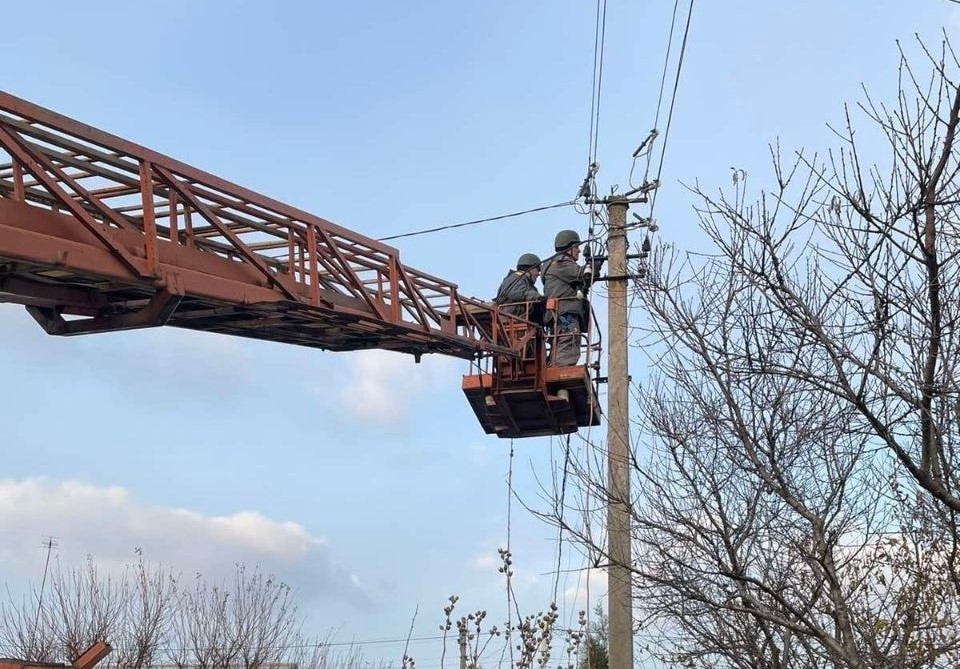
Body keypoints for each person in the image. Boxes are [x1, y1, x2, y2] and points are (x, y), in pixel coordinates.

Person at [541, 229, 600, 366]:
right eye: (577, 247)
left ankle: (554, 368)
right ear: (570, 248)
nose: (579, 251)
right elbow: (582, 274)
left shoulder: (557, 265)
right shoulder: (561, 263)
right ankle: (560, 372)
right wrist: (595, 264)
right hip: (566, 314)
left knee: (560, 343)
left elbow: (584, 280)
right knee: (569, 344)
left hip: (559, 314)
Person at [493, 253, 544, 320]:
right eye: (538, 270)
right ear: (531, 268)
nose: (538, 274)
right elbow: (517, 292)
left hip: (515, 315)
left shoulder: (522, 280)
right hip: (510, 315)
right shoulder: (515, 278)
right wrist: (538, 297)